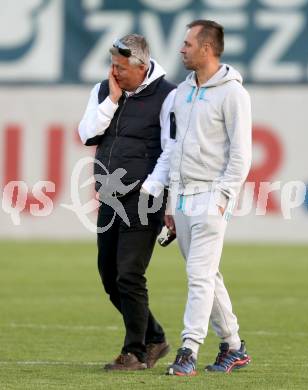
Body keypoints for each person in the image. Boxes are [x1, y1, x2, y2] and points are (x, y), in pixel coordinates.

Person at [78, 34, 176, 370]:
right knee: (109, 276)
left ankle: (134, 351)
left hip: (144, 197)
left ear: (143, 66)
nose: (114, 72)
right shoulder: (104, 91)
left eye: (121, 67)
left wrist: (160, 195)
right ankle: (156, 337)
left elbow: (171, 150)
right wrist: (112, 100)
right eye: (112, 65)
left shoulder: (168, 96)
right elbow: (87, 134)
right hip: (109, 196)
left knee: (129, 275)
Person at [164, 20, 252, 376]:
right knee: (206, 275)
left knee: (198, 276)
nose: (182, 49)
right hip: (183, 198)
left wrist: (224, 195)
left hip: (212, 197)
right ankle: (233, 345)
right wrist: (170, 203)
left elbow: (241, 154)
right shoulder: (182, 93)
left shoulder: (233, 94)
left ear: (207, 48)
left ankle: (188, 350)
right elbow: (174, 151)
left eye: (187, 43)